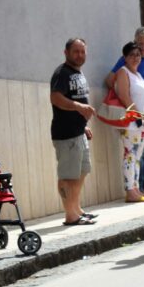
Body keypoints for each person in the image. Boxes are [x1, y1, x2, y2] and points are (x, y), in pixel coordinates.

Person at [106, 27, 144, 195]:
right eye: (140, 43)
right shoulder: (125, 62)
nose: (142, 48)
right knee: (134, 154)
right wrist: (125, 102)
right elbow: (110, 81)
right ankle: (136, 188)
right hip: (134, 117)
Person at [50, 38, 96, 226]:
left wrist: (83, 125)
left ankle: (76, 209)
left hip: (78, 131)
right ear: (66, 53)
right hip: (66, 134)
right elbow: (55, 98)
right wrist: (78, 107)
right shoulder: (62, 73)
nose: (80, 55)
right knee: (68, 176)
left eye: (83, 52)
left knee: (81, 171)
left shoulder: (77, 72)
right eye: (76, 51)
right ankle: (71, 215)